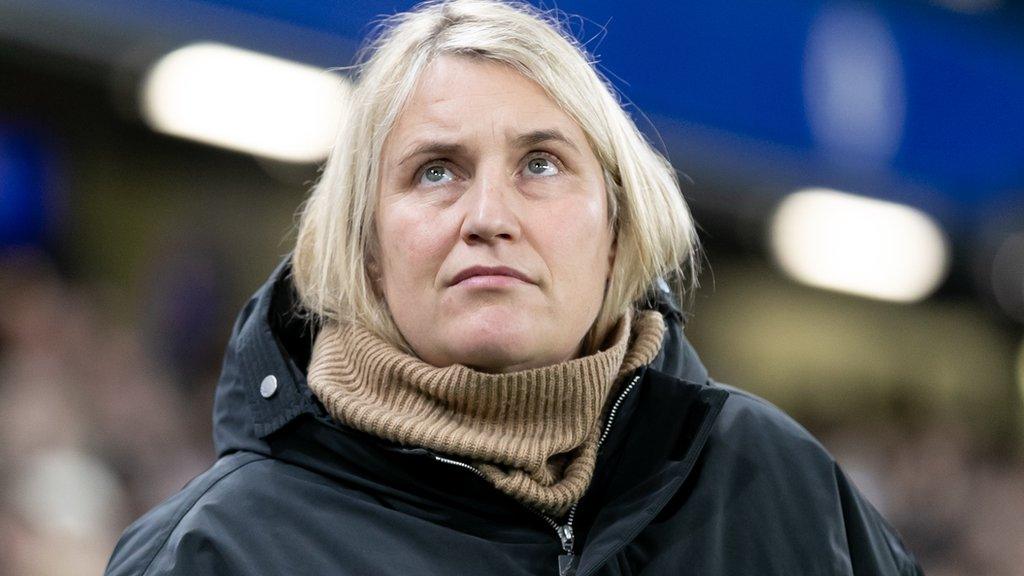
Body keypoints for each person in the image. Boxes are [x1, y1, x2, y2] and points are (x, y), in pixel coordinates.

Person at [105, 1, 923, 574]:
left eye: (541, 164)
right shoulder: (215, 553)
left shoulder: (777, 480)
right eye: (435, 171)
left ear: (616, 229)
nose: (489, 216)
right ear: (368, 251)